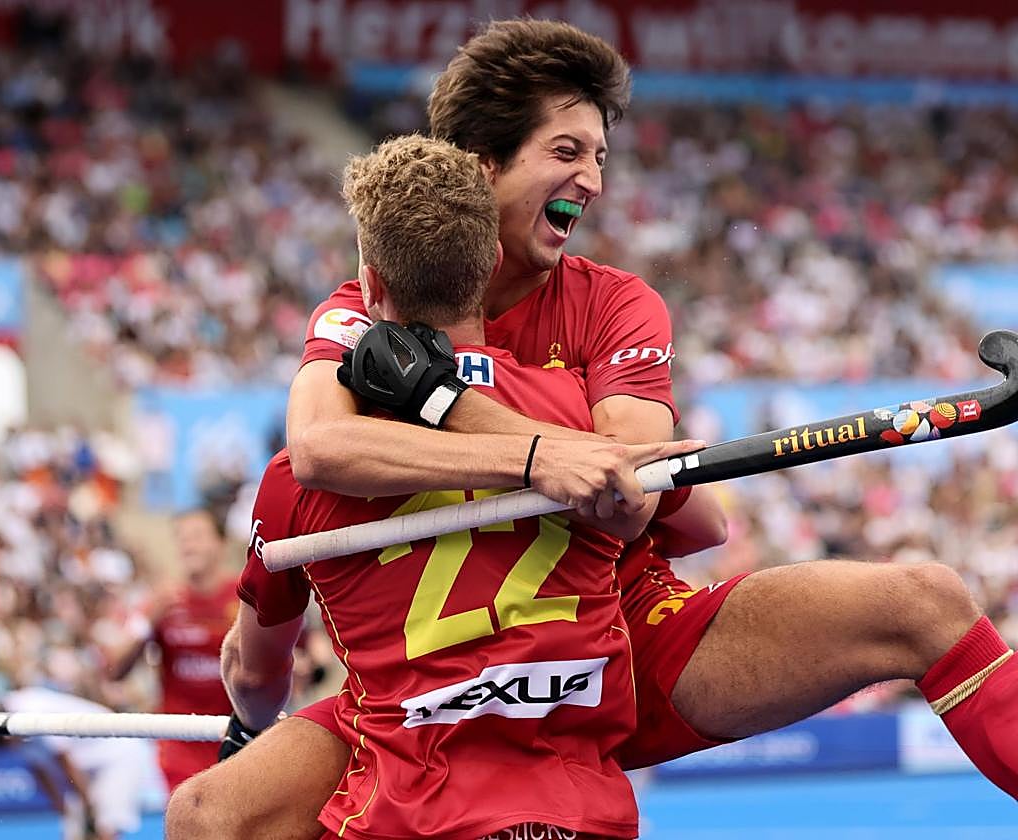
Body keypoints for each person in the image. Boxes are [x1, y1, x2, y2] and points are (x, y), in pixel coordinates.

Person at [175, 17, 1018, 838]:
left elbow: (640, 501)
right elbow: (318, 450)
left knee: (922, 601)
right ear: (480, 167)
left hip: (614, 634)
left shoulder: (613, 303)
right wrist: (542, 445)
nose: (595, 182)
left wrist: (450, 407)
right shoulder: (368, 298)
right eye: (568, 151)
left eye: (601, 157)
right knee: (213, 814)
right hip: (443, 674)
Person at [168, 133, 704, 840]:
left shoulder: (298, 476)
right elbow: (704, 525)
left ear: (368, 284)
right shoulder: (584, 427)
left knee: (200, 819)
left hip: (409, 813)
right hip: (582, 809)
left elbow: (254, 670)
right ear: (487, 266)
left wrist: (254, 723)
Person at [106, 507, 240, 790]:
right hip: (180, 743)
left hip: (238, 736)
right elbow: (113, 670)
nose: (188, 544)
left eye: (197, 536)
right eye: (182, 538)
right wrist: (147, 621)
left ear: (220, 543)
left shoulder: (244, 597)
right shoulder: (161, 601)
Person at [4, 685, 163, 840]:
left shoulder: (30, 710)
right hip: (86, 765)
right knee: (74, 829)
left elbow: (65, 761)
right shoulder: (10, 723)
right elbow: (39, 770)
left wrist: (89, 807)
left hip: (119, 754)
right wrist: (64, 809)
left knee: (106, 824)